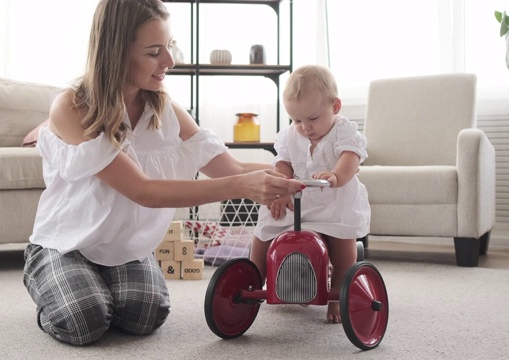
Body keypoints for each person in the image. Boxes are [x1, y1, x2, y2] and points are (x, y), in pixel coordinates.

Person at [22, 0, 305, 346]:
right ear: (116, 53)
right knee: (85, 320)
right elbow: (143, 190)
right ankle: (51, 277)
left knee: (145, 315)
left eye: (169, 46)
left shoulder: (165, 110)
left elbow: (231, 168)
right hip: (66, 244)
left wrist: (298, 172)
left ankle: (96, 285)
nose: (170, 61)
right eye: (155, 52)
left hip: (124, 249)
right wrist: (243, 186)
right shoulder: (72, 105)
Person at [249, 64, 370, 324]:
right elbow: (283, 164)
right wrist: (280, 188)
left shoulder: (343, 130)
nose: (305, 127)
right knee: (264, 229)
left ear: (335, 107)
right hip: (296, 201)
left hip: (333, 201)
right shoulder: (292, 135)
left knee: (343, 246)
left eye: (312, 119)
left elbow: (351, 158)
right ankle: (253, 280)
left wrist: (336, 175)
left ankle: (338, 293)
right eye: (297, 120)